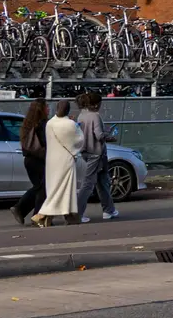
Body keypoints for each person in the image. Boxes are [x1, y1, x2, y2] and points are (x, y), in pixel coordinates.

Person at [33, 99, 83, 226]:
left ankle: (54, 217)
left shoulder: (50, 123)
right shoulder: (70, 124)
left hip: (52, 160)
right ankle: (44, 214)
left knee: (54, 187)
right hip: (66, 159)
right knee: (65, 188)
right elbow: (80, 140)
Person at [77, 91, 117, 221]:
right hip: (97, 153)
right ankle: (78, 213)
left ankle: (109, 209)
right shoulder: (95, 116)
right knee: (89, 183)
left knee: (102, 181)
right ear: (95, 105)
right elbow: (99, 135)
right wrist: (109, 136)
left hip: (85, 151)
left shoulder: (81, 116)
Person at [11, 98, 49, 225]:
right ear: (41, 109)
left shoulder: (27, 124)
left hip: (29, 160)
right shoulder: (42, 125)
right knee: (43, 188)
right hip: (39, 159)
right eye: (47, 107)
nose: (48, 109)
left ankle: (21, 209)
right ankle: (36, 216)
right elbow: (45, 143)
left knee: (39, 187)